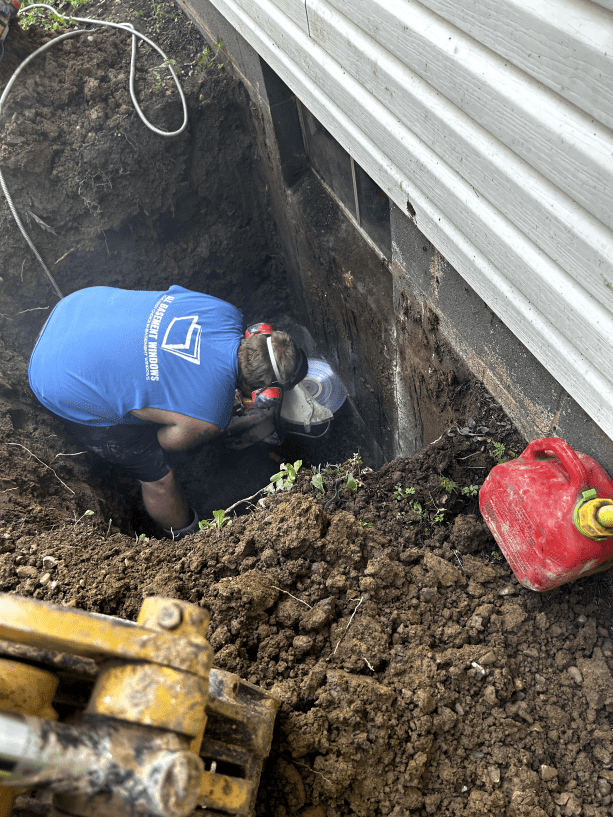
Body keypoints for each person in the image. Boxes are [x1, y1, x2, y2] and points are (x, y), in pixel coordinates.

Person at [28, 284, 307, 539]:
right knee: (161, 478)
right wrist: (204, 412)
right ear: (262, 395)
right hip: (55, 380)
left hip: (75, 310)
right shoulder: (210, 418)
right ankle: (188, 538)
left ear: (259, 332)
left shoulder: (223, 310)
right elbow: (165, 441)